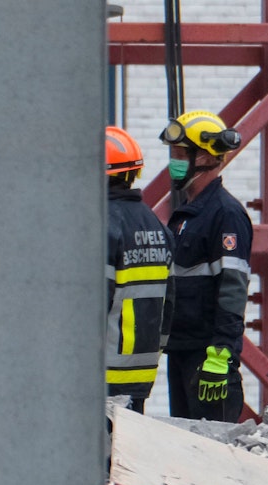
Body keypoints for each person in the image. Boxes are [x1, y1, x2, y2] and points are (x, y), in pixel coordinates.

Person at [160, 110, 252, 421]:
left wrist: (221, 354)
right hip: (182, 351)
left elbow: (233, 288)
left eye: (180, 154)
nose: (174, 162)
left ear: (205, 157)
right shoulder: (189, 215)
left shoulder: (225, 214)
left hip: (208, 357)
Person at [104, 126, 175, 412]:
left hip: (102, 371)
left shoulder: (103, 225)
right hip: (141, 373)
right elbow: (169, 304)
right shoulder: (156, 224)